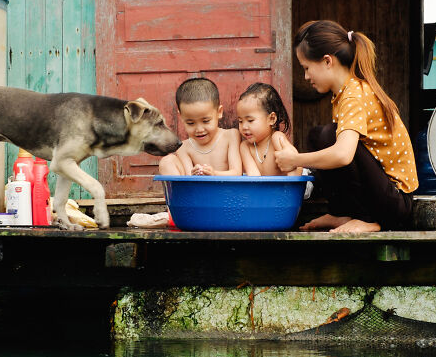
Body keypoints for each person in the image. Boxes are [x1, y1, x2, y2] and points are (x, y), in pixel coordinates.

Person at [274, 20, 418, 233]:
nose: (305, 77)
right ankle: (344, 213)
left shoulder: (353, 94)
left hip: (394, 204)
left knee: (330, 137)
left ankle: (369, 220)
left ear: (327, 61)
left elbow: (343, 156)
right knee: (318, 136)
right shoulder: (344, 93)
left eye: (306, 68)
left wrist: (295, 159)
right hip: (384, 196)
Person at [158, 77, 242, 176]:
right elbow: (188, 177)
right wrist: (194, 175)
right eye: (191, 123)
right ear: (181, 117)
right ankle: (177, 192)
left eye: (206, 121)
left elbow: (236, 173)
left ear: (219, 112)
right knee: (167, 161)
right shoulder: (184, 147)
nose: (199, 129)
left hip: (225, 190)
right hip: (195, 190)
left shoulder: (230, 136)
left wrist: (214, 174)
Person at [236, 82, 302, 176]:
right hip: (265, 189)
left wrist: (290, 189)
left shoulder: (277, 138)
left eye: (250, 120)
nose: (244, 127)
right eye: (240, 121)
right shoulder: (245, 147)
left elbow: (297, 168)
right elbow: (253, 177)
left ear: (271, 119)